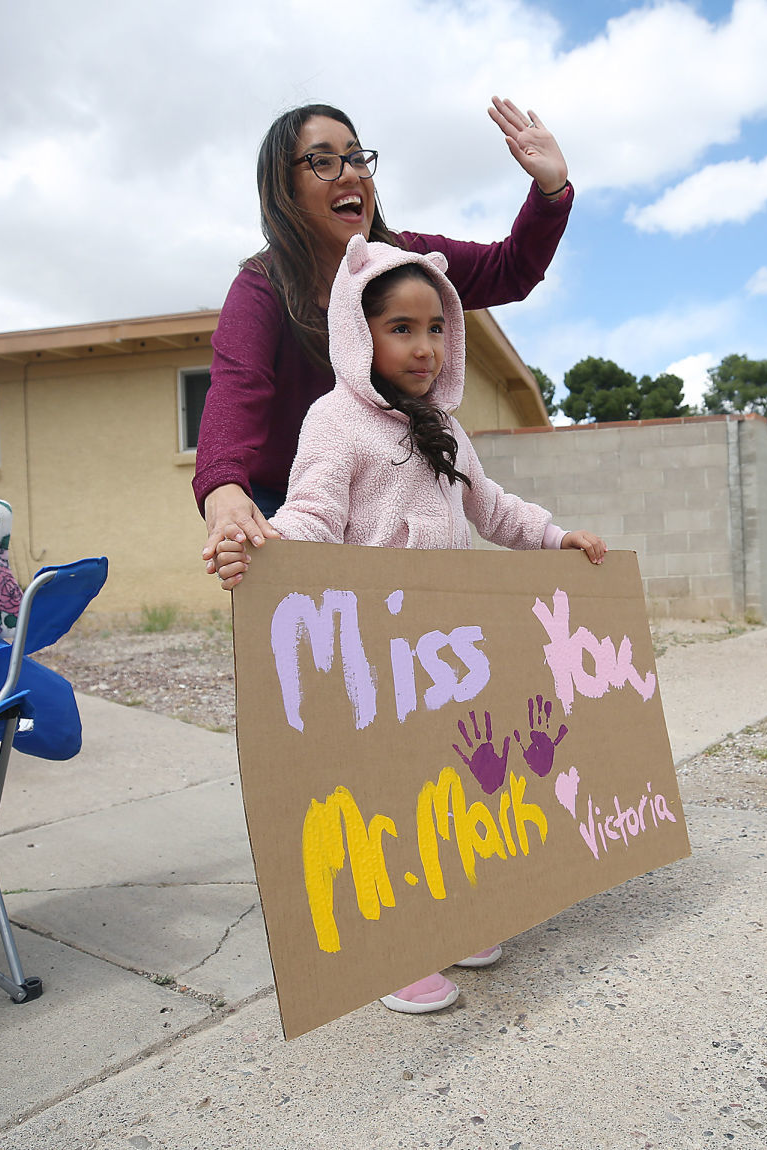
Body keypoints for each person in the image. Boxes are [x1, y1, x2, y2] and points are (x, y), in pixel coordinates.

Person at [211, 237, 605, 1013]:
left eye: (436, 328)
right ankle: (392, 948)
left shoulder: (447, 430)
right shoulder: (334, 420)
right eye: (401, 328)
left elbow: (490, 509)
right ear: (359, 332)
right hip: (374, 654)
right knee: (382, 794)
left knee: (450, 782)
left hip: (448, 651)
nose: (425, 346)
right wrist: (265, 545)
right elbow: (314, 513)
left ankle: (451, 914)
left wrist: (557, 537)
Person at [197, 97, 572, 578]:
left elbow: (511, 268)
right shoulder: (263, 285)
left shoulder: (403, 263)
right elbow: (236, 386)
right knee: (301, 627)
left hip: (388, 480)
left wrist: (550, 188)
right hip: (292, 497)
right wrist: (223, 486)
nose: (350, 173)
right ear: (285, 189)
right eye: (324, 161)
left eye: (356, 157)